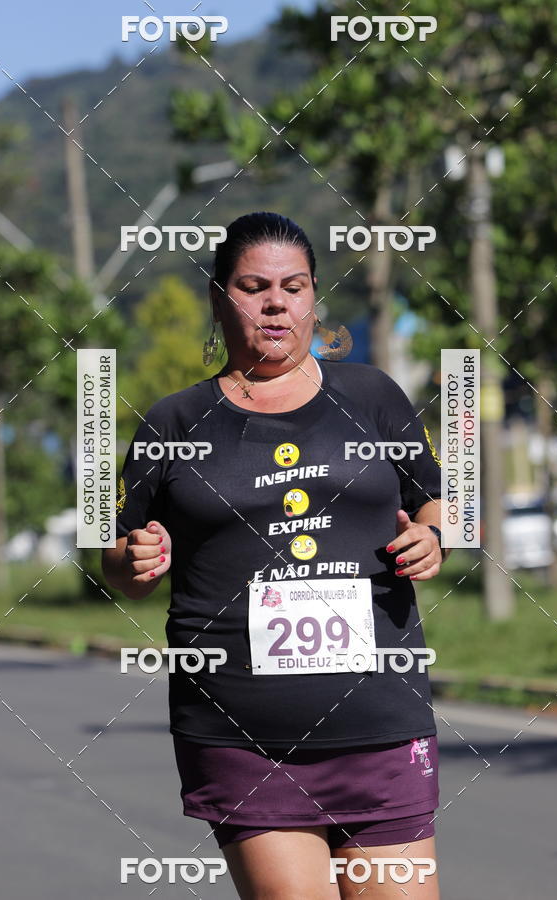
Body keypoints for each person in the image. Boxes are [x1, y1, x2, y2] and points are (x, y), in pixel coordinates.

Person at [103, 212, 450, 899]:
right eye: (253, 286)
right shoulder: (174, 424)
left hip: (380, 722)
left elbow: (437, 499)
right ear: (218, 296)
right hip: (243, 735)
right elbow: (119, 560)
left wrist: (434, 534)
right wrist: (134, 558)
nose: (275, 303)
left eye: (293, 287)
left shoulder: (374, 398)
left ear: (314, 296)